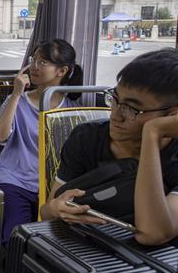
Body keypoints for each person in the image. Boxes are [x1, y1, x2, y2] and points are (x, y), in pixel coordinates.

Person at [41, 48, 178, 246]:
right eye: (114, 99)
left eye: (132, 108)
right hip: (89, 249)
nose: (115, 115)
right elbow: (46, 212)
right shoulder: (86, 139)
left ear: (172, 115)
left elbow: (153, 234)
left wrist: (152, 133)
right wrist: (56, 209)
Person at [0, 39, 83, 245]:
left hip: (52, 185)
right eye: (34, 60)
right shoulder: (17, 102)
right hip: (15, 179)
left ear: (61, 71)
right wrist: (16, 94)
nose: (34, 67)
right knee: (16, 237)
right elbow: (0, 136)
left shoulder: (70, 111)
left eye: (43, 63)